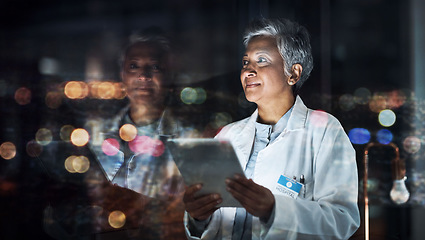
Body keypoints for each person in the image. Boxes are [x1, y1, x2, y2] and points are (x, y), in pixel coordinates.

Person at [183, 18, 360, 239]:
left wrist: (274, 209)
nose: (248, 70)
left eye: (262, 60)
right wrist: (199, 217)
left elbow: (341, 220)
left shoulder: (325, 131)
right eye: (246, 62)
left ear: (293, 74)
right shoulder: (228, 135)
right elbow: (215, 224)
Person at [83, 29, 187, 239]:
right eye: (134, 66)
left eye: (155, 67)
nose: (143, 76)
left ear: (169, 77)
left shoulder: (189, 139)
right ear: (122, 75)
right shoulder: (94, 135)